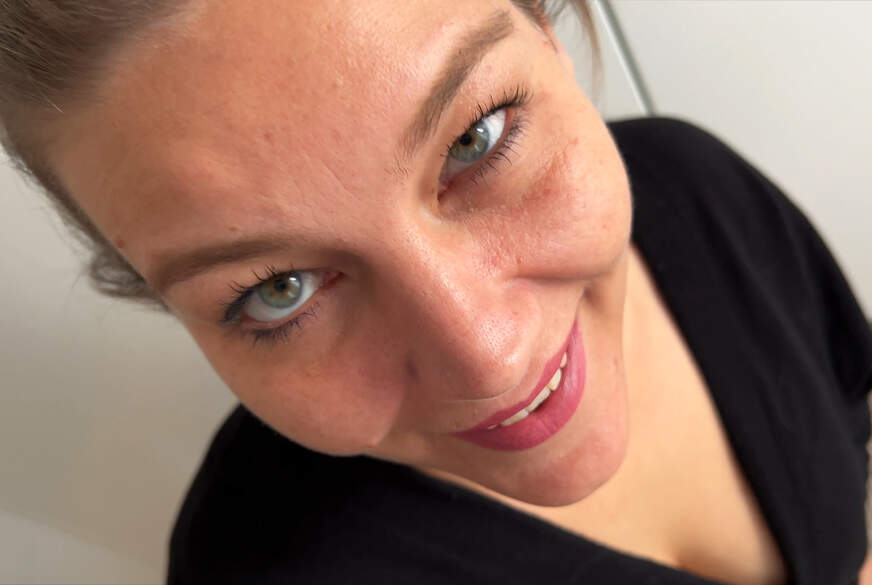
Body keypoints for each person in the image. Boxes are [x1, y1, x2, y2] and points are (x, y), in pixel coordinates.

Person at [1, 1, 870, 583]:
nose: (490, 359)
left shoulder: (700, 195)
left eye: (474, 141)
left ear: (547, 33)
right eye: (279, 288)